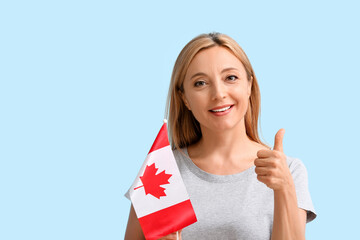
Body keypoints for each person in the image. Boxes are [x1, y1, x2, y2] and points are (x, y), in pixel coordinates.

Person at [125, 32, 316, 240]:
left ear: (249, 86)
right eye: (200, 83)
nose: (219, 94)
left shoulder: (288, 171)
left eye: (230, 78)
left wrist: (284, 189)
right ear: (185, 98)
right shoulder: (160, 170)